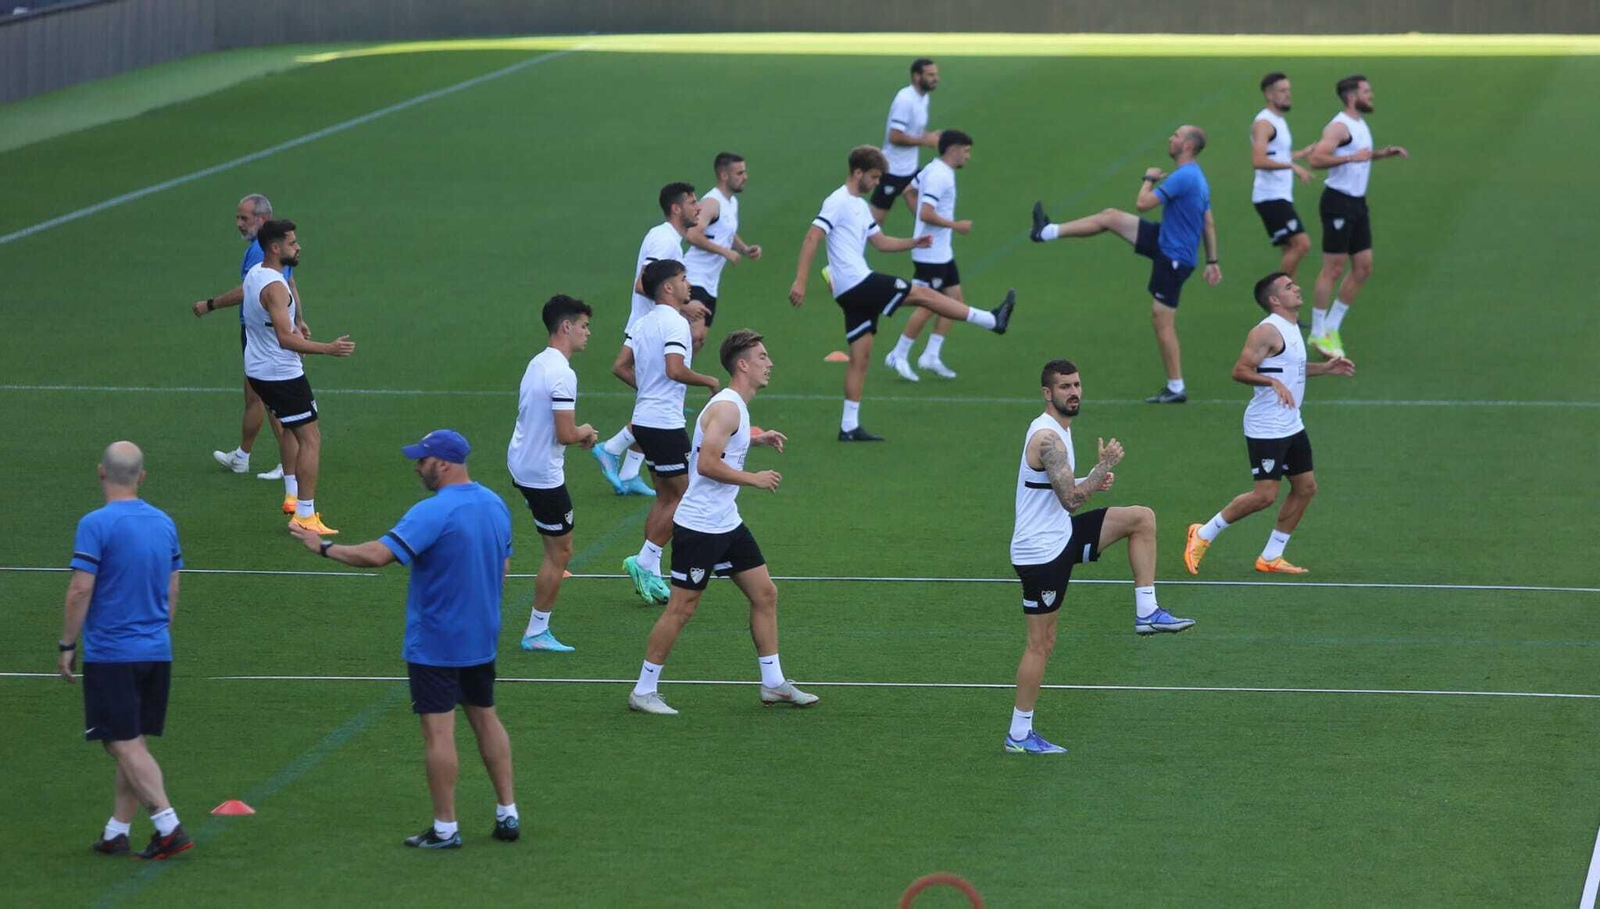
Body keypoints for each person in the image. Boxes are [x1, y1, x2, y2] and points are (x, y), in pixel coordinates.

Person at [288, 429, 520, 849]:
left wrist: (322, 548)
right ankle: (508, 813)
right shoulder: (495, 504)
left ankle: (446, 827)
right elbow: (502, 569)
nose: (417, 467)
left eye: (422, 460)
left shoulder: (432, 511)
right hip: (480, 635)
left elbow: (377, 555)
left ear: (444, 464)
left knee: (439, 733)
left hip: (436, 641)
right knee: (486, 717)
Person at [1006, 361, 1195, 754]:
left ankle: (1147, 612)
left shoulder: (1060, 432)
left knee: (1141, 519)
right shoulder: (1048, 439)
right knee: (1041, 644)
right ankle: (1019, 735)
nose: (1073, 392)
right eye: (1064, 387)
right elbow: (1070, 500)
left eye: (1076, 384)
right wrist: (1101, 469)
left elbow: (1057, 487)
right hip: (1042, 552)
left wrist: (1090, 477)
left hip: (1059, 535)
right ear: (1047, 393)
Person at [627, 329, 816, 715]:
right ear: (742, 365)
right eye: (762, 357)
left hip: (726, 522)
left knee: (765, 594)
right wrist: (754, 478)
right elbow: (707, 463)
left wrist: (757, 440)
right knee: (682, 608)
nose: (770, 363)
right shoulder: (728, 407)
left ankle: (773, 684)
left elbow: (722, 443)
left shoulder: (735, 409)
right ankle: (643, 690)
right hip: (699, 526)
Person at [790, 145, 1015, 442]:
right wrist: (800, 281)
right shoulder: (838, 201)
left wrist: (914, 242)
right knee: (924, 294)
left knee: (861, 356)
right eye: (873, 176)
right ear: (857, 172)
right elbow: (812, 237)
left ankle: (848, 427)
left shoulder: (859, 205)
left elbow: (880, 242)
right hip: (858, 282)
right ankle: (990, 320)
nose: (877, 183)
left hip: (851, 290)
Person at [59, 441, 193, 859]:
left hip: (113, 652)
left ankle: (168, 825)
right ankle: (117, 831)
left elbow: (81, 589)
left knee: (121, 742)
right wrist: (158, 629)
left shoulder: (95, 524)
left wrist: (67, 644)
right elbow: (173, 584)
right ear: (142, 476)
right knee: (131, 740)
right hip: (156, 648)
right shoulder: (163, 522)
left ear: (101, 472)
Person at [1030, 126, 1221, 404]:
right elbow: (1208, 221)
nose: (1171, 138)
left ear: (1189, 146)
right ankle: (1046, 232)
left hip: (1174, 257)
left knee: (1162, 320)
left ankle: (1176, 387)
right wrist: (1213, 260)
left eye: (1177, 136)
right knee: (1111, 217)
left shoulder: (1185, 177)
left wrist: (1149, 179)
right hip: (1165, 240)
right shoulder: (1198, 177)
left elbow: (1143, 203)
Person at [1184, 273, 1355, 575]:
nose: (1297, 288)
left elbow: (1290, 368)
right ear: (1275, 300)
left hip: (1291, 422)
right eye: (1289, 287)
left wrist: (1324, 368)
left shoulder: (1291, 328)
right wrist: (1270, 382)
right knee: (1264, 495)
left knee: (1306, 487)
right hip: (1266, 425)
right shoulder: (1266, 331)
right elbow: (1240, 370)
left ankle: (1271, 555)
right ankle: (1202, 533)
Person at [615, 260, 721, 604]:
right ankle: (644, 561)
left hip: (644, 421)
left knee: (666, 497)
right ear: (667, 288)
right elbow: (675, 369)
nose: (688, 284)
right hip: (664, 424)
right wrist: (708, 380)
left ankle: (652, 572)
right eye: (682, 279)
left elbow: (620, 366)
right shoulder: (675, 323)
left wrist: (648, 390)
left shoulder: (643, 322)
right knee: (689, 498)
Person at [593, 183, 709, 496]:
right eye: (693, 202)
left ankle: (629, 470)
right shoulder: (663, 238)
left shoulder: (671, 239)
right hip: (651, 328)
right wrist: (686, 305)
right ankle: (612, 449)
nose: (699, 208)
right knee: (658, 403)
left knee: (658, 403)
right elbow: (645, 283)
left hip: (656, 325)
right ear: (676, 208)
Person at [243, 219, 354, 533]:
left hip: (259, 369)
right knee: (311, 439)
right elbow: (284, 339)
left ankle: (292, 497)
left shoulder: (256, 274)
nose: (298, 246)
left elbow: (252, 302)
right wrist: (327, 348)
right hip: (281, 373)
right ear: (276, 248)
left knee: (291, 430)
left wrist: (210, 305)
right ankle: (306, 515)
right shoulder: (276, 287)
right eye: (292, 243)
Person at [191, 193, 305, 487]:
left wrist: (211, 304)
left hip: (260, 331)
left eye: (244, 218)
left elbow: (247, 289)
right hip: (264, 329)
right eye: (238, 218)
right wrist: (299, 320)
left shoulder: (261, 250)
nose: (239, 224)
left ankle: (286, 463)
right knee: (254, 395)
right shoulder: (272, 248)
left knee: (270, 398)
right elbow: (290, 281)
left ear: (262, 219)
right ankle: (242, 456)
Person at [507, 295, 599, 653]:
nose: (588, 333)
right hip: (542, 474)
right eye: (584, 326)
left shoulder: (538, 363)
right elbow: (566, 433)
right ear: (566, 327)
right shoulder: (563, 373)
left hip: (520, 461)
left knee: (555, 545)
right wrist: (587, 431)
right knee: (561, 552)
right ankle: (536, 631)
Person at [1305, 74, 1409, 359]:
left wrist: (1381, 154)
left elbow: (1359, 154)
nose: (1371, 95)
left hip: (1357, 203)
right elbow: (1316, 159)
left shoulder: (1359, 125)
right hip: (1338, 202)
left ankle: (1332, 327)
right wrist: (1351, 159)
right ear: (1352, 97)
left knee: (1363, 267)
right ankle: (1317, 332)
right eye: (1367, 91)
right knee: (1333, 268)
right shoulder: (1339, 126)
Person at [884, 129, 974, 382]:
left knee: (955, 300)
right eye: (966, 151)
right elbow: (926, 212)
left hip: (941, 252)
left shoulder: (934, 169)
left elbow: (908, 191)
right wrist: (957, 226)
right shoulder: (939, 176)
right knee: (928, 305)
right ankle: (898, 354)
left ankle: (931, 355)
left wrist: (921, 226)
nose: (968, 156)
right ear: (953, 149)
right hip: (930, 254)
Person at [1250, 73, 1316, 279]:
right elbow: (1258, 160)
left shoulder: (1278, 121)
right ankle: (1277, 292)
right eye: (1282, 91)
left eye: (1289, 90)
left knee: (1290, 250)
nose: (1288, 95)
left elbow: (1275, 154)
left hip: (1280, 195)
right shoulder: (1264, 123)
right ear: (1269, 95)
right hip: (1270, 196)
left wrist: (1300, 154)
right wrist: (1292, 166)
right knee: (1302, 244)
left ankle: (1285, 306)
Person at [684, 152, 761, 328]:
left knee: (699, 339)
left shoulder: (731, 202)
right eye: (739, 173)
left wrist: (744, 249)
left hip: (711, 282)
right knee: (694, 334)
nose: (745, 177)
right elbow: (692, 234)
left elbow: (726, 231)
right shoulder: (712, 202)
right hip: (695, 276)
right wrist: (725, 252)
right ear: (724, 175)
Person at [871, 58, 941, 225]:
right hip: (892, 170)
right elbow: (894, 136)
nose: (936, 78)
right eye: (930, 75)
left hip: (910, 169)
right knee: (872, 224)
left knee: (926, 216)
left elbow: (914, 130)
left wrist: (932, 136)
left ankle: (933, 246)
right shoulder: (905, 100)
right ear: (917, 77)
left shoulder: (923, 98)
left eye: (936, 74)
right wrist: (925, 141)